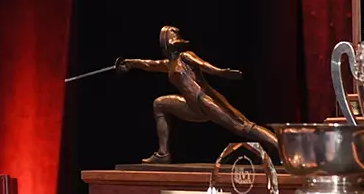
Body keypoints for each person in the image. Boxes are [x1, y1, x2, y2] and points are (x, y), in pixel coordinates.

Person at [116, 26, 277, 163]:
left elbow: (204, 65)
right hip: (191, 106)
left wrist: (221, 72)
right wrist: (129, 63)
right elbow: (148, 64)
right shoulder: (169, 64)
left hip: (206, 100)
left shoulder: (186, 56)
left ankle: (281, 147)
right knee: (159, 104)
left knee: (244, 127)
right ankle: (163, 154)